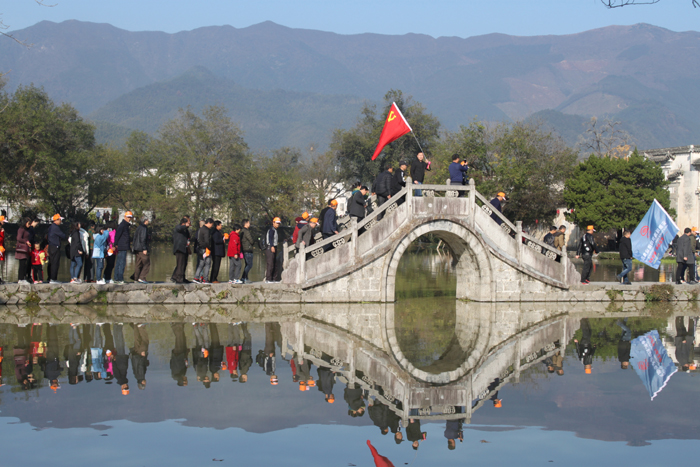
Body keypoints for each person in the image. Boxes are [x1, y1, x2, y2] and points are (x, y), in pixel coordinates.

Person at [113, 211, 134, 284]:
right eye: (128, 217)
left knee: (120, 262)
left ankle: (117, 278)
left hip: (124, 246)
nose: (129, 219)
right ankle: (119, 278)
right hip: (122, 246)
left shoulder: (126, 225)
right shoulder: (122, 225)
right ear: (125, 217)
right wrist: (115, 244)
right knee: (121, 263)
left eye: (130, 217)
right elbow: (117, 235)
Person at [194, 218, 214, 284]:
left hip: (200, 249)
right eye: (211, 224)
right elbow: (207, 241)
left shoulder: (200, 229)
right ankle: (205, 279)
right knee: (208, 264)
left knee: (201, 264)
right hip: (205, 249)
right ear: (209, 223)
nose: (211, 226)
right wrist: (209, 248)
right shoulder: (206, 230)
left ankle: (196, 277)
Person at [172, 217, 191, 284]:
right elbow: (180, 228)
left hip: (185, 248)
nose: (189, 224)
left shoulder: (186, 230)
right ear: (183, 223)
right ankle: (179, 279)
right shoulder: (178, 227)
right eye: (187, 223)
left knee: (184, 263)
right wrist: (185, 225)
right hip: (179, 248)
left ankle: (180, 277)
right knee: (180, 264)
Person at [130, 323, 149, 390]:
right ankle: (135, 325)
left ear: (142, 383)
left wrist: (143, 357)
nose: (146, 383)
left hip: (140, 355)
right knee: (137, 340)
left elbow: (141, 366)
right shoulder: (136, 376)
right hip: (135, 354)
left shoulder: (141, 376)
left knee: (145, 341)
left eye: (144, 384)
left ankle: (141, 327)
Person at [132, 216, 151, 284]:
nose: (148, 221)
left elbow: (135, 238)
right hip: (141, 248)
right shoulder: (143, 228)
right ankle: (142, 277)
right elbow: (143, 238)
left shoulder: (139, 227)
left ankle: (136, 278)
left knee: (138, 263)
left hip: (137, 248)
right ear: (145, 221)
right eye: (147, 220)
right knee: (147, 263)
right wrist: (144, 248)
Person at [16, 217, 32, 284]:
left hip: (26, 248)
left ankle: (23, 277)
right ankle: (21, 278)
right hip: (21, 249)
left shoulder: (26, 230)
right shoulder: (21, 229)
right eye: (28, 223)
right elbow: (19, 238)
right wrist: (26, 241)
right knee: (22, 263)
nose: (29, 225)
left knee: (25, 263)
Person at [265, 218, 281, 283]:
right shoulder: (271, 230)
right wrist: (272, 246)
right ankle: (268, 279)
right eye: (277, 223)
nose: (278, 224)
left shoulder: (275, 230)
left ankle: (274, 279)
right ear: (273, 222)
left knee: (274, 263)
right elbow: (270, 238)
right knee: (270, 263)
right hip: (270, 247)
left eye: (279, 223)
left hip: (274, 246)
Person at [240, 219, 255, 284]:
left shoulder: (242, 231)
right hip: (248, 250)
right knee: (249, 265)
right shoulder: (246, 231)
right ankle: (244, 278)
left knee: (247, 264)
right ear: (245, 224)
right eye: (248, 223)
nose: (249, 224)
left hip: (244, 250)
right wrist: (253, 242)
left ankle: (244, 278)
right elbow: (251, 240)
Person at [0, 215, 7, 284]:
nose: (4, 223)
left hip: (2, 249)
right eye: (3, 222)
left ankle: (0, 278)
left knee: (1, 265)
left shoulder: (2, 230)